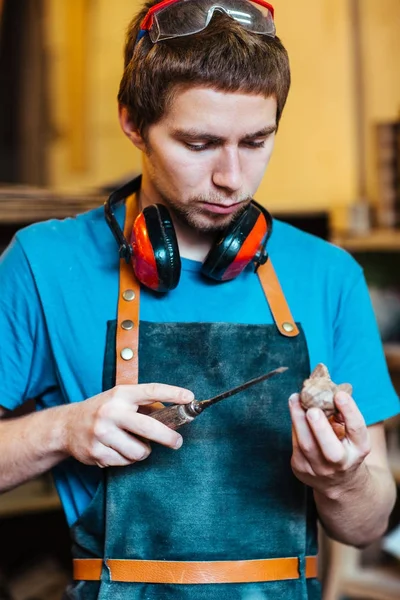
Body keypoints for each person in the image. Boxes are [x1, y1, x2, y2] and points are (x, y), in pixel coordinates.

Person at [0, 0, 398, 598]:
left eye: (257, 141)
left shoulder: (328, 274)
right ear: (133, 122)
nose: (232, 178)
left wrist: (342, 482)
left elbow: (368, 525)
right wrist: (63, 430)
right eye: (199, 143)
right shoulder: (42, 263)